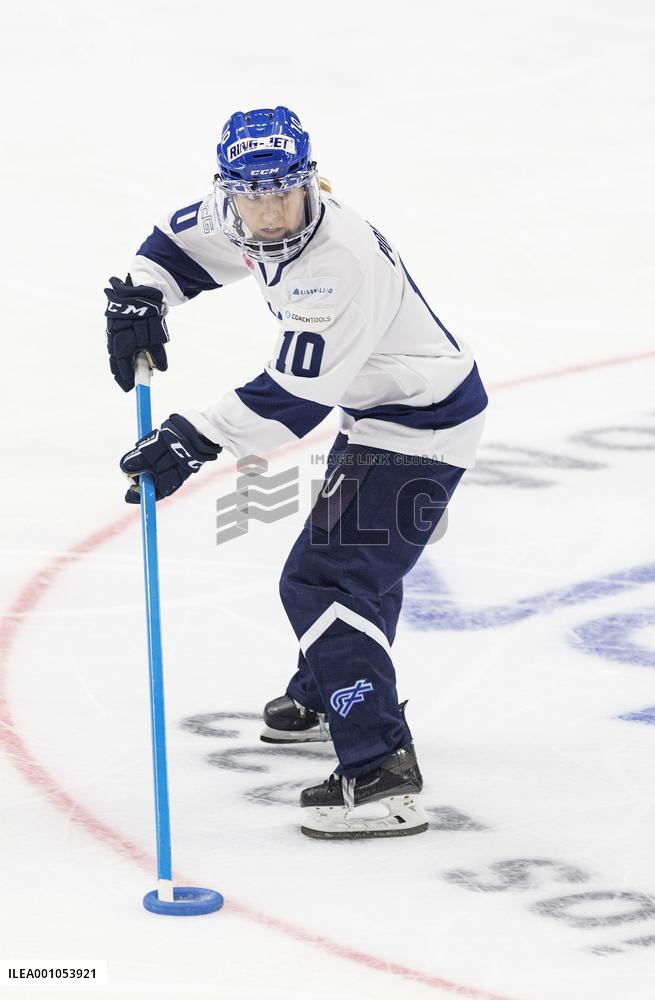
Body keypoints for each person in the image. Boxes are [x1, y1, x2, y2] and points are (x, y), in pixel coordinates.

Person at [105, 106, 488, 840]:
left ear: (311, 181)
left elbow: (295, 398)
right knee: (351, 568)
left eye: (286, 190)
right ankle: (324, 695)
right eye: (254, 194)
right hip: (379, 412)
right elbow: (175, 247)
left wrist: (192, 438)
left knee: (329, 578)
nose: (273, 210)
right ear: (230, 190)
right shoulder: (235, 210)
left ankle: (381, 773)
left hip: (424, 424)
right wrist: (142, 294)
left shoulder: (338, 263)